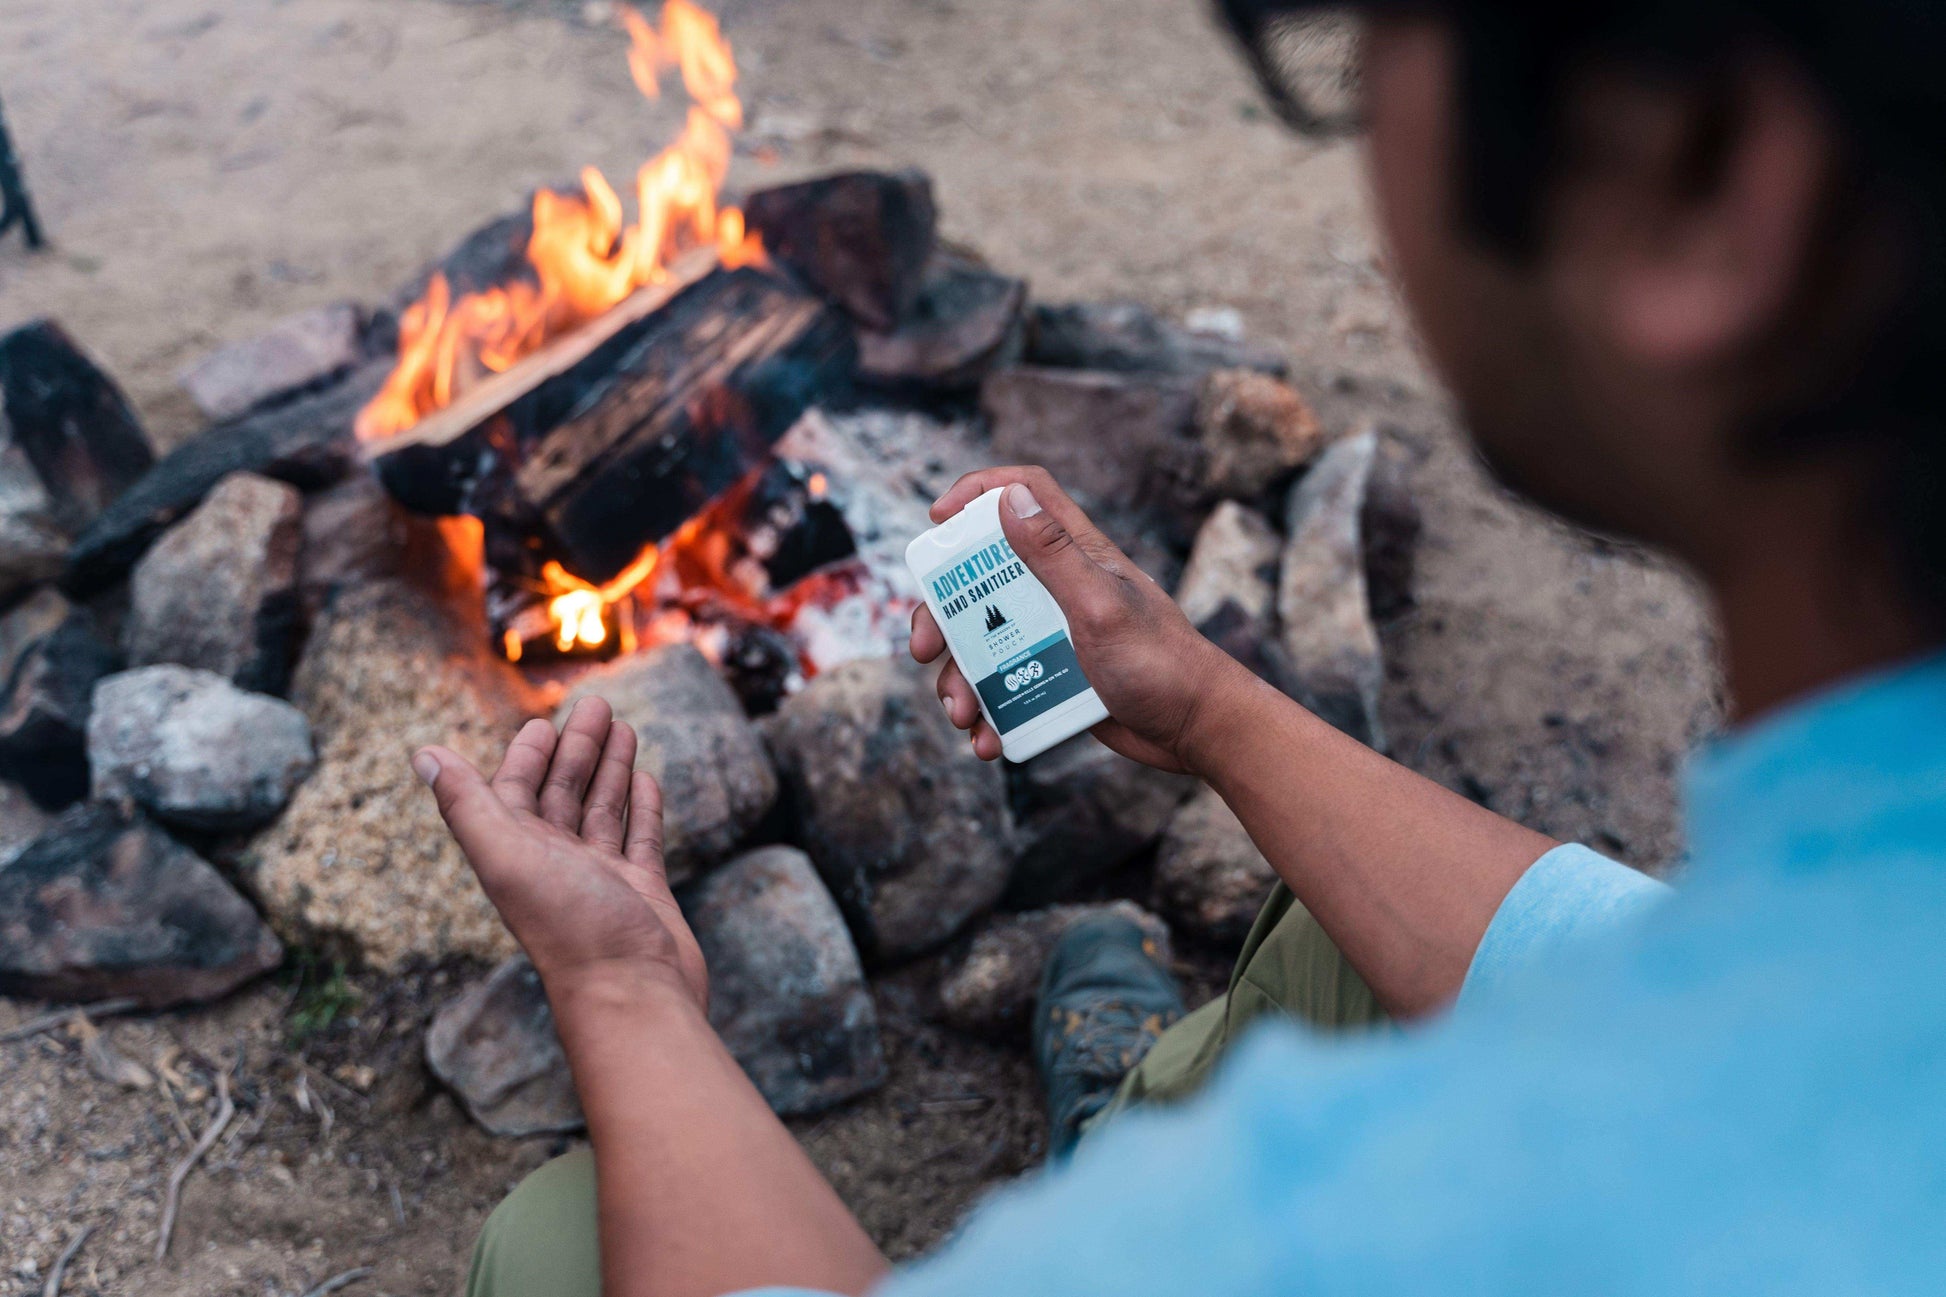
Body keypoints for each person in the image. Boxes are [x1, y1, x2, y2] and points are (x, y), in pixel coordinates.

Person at [414, 0, 1946, 1292]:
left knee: (559, 1241)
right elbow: (1593, 961)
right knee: (1333, 932)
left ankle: (1123, 1151)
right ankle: (1132, 1115)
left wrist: (618, 984)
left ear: (1695, 170)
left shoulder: (1291, 1230)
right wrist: (1212, 705)